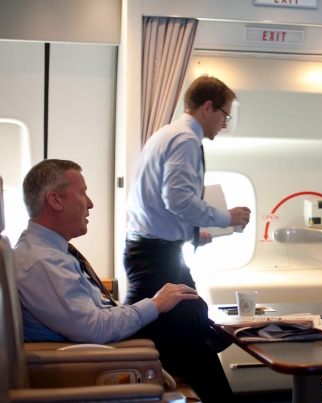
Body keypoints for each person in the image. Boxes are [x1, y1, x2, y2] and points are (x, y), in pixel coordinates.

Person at [14, 159, 235, 403]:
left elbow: (89, 311)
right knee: (189, 309)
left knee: (194, 337)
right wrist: (155, 304)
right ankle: (208, 334)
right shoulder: (42, 262)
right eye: (82, 194)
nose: (90, 204)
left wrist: (144, 306)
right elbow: (93, 328)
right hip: (95, 355)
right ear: (55, 200)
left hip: (96, 343)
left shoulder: (47, 251)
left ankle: (204, 336)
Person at [124, 74, 250, 304]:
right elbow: (178, 200)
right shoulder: (186, 140)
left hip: (150, 250)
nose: (224, 123)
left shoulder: (168, 133)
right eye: (225, 115)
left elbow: (164, 202)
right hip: (155, 255)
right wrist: (227, 217)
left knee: (193, 317)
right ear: (208, 107)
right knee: (190, 321)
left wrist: (189, 232)